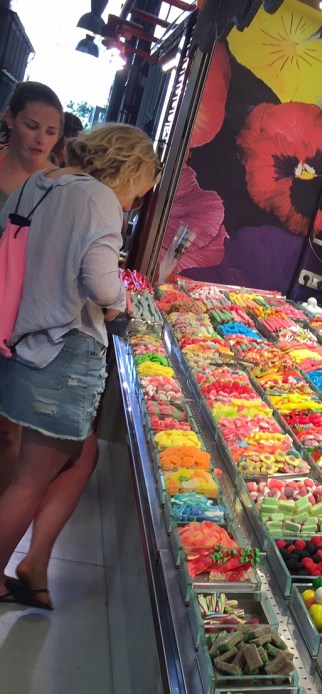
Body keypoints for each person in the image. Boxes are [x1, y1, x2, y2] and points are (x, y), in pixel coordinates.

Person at [0, 123, 161, 609]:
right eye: (141, 189)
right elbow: (102, 284)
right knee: (32, 478)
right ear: (129, 171)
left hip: (21, 342)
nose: (136, 201)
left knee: (81, 455)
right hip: (62, 350)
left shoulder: (39, 182)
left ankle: (36, 565)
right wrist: (122, 306)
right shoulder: (99, 199)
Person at [0, 82, 63, 494]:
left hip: (23, 323)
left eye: (51, 131)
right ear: (10, 119)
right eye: (31, 126)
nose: (41, 139)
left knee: (9, 432)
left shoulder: (61, 187)